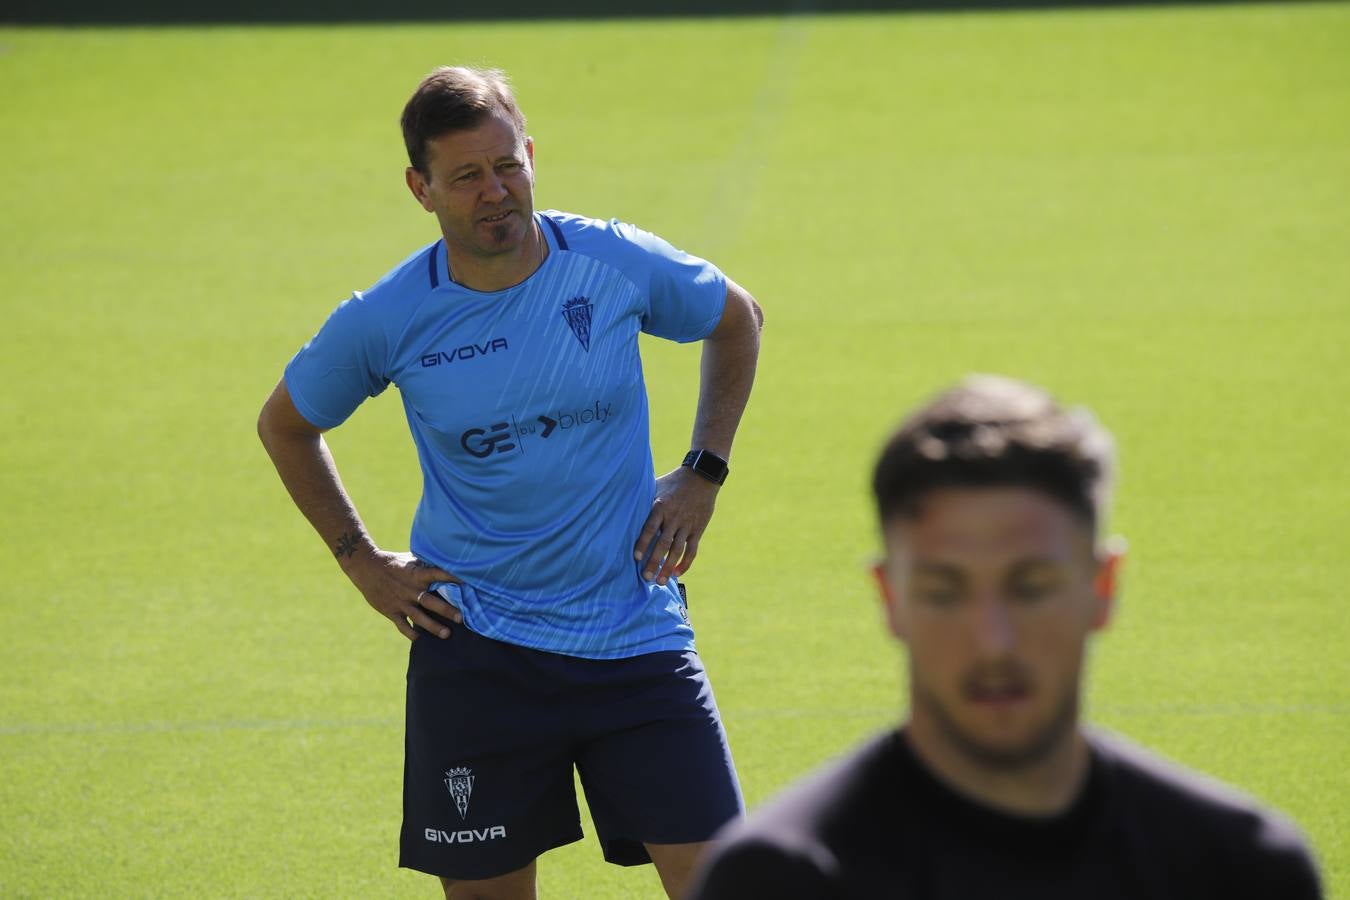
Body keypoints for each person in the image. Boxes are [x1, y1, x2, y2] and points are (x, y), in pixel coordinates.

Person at [256, 66, 762, 899]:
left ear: (529, 154)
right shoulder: (388, 317)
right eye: (465, 176)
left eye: (508, 166)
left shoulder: (609, 259)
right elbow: (286, 424)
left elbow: (736, 316)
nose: (495, 192)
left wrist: (703, 471)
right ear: (421, 189)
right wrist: (360, 560)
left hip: (633, 635)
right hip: (479, 652)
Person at [688, 376, 1321, 899]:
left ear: (1102, 586)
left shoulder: (1244, 871)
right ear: (891, 599)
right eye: (945, 592)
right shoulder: (781, 881)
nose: (993, 642)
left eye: (1031, 587)